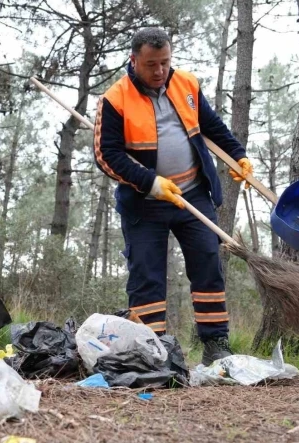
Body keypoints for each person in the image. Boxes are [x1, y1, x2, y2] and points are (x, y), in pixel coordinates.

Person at [94, 27, 254, 365]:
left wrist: (238, 155)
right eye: (151, 64)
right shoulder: (114, 99)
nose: (159, 71)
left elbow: (212, 127)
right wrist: (151, 183)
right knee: (146, 277)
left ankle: (216, 345)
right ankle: (154, 352)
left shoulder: (187, 84)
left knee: (208, 263)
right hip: (144, 203)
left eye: (165, 62)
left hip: (193, 194)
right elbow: (106, 155)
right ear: (133, 60)